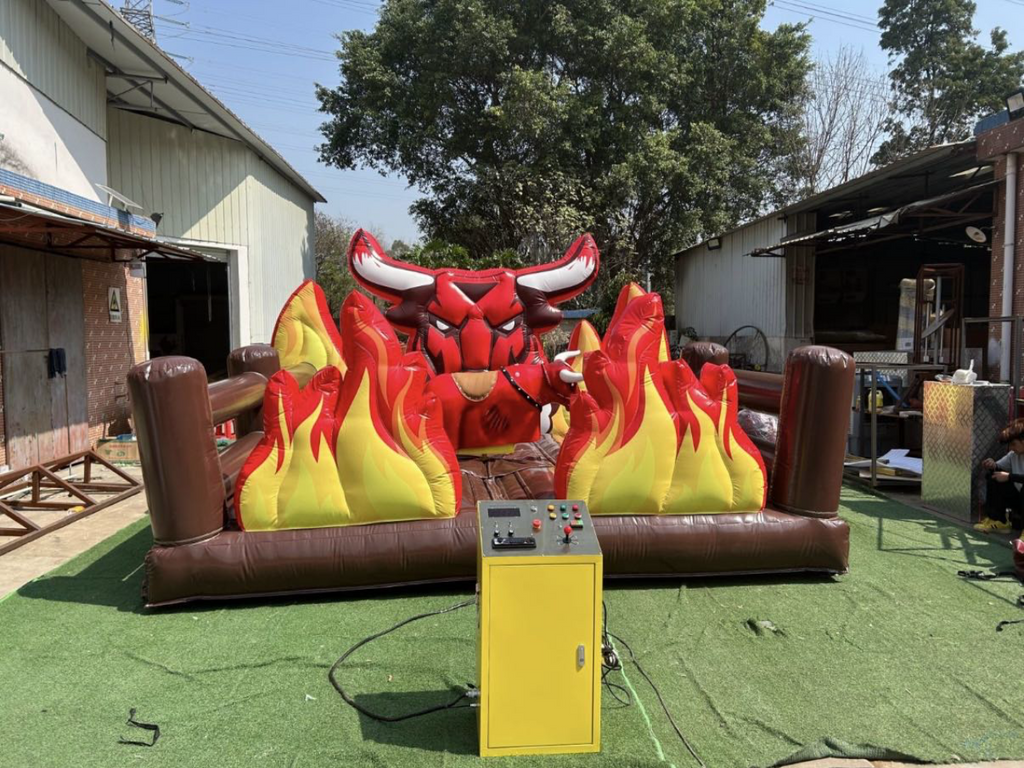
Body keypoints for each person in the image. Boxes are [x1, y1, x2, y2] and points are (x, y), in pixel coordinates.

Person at [977, 418, 1024, 533]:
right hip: (1020, 501)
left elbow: (1008, 476)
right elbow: (998, 467)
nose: (1011, 448)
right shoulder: (1013, 455)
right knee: (993, 476)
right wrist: (991, 464)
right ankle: (999, 520)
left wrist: (1009, 476)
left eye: (1013, 444)